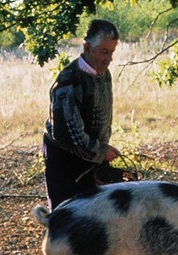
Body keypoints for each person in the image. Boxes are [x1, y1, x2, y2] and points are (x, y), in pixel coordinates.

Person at [42, 19, 125, 209]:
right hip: (64, 160)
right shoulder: (68, 82)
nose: (108, 58)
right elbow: (70, 137)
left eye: (112, 52)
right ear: (87, 47)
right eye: (104, 51)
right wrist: (102, 152)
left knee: (94, 215)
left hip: (91, 157)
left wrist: (101, 153)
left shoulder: (104, 74)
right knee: (66, 215)